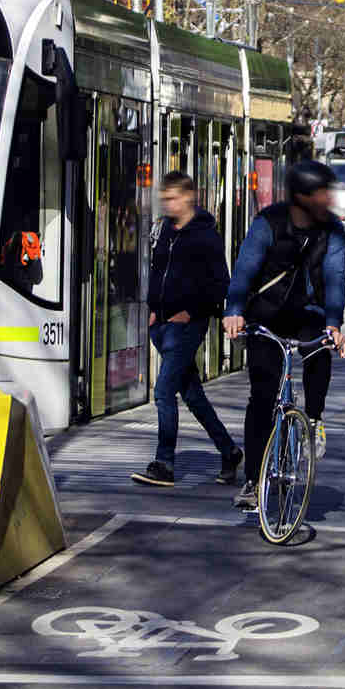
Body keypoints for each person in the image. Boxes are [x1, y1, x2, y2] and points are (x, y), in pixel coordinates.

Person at [223, 158, 345, 512]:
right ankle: (252, 480)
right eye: (321, 194)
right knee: (262, 395)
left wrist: (334, 324)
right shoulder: (268, 223)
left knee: (319, 348)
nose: (328, 200)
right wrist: (234, 310)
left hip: (310, 313)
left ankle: (314, 419)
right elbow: (245, 267)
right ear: (302, 197)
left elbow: (335, 277)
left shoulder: (333, 231)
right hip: (267, 315)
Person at [134, 172, 244, 489]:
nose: (167, 204)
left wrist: (190, 312)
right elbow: (158, 272)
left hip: (186, 326)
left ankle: (165, 463)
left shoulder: (205, 236)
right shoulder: (166, 230)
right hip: (162, 324)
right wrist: (153, 309)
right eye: (164, 198)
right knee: (192, 396)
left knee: (163, 391)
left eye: (172, 199)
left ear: (188, 197)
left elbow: (220, 284)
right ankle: (229, 451)